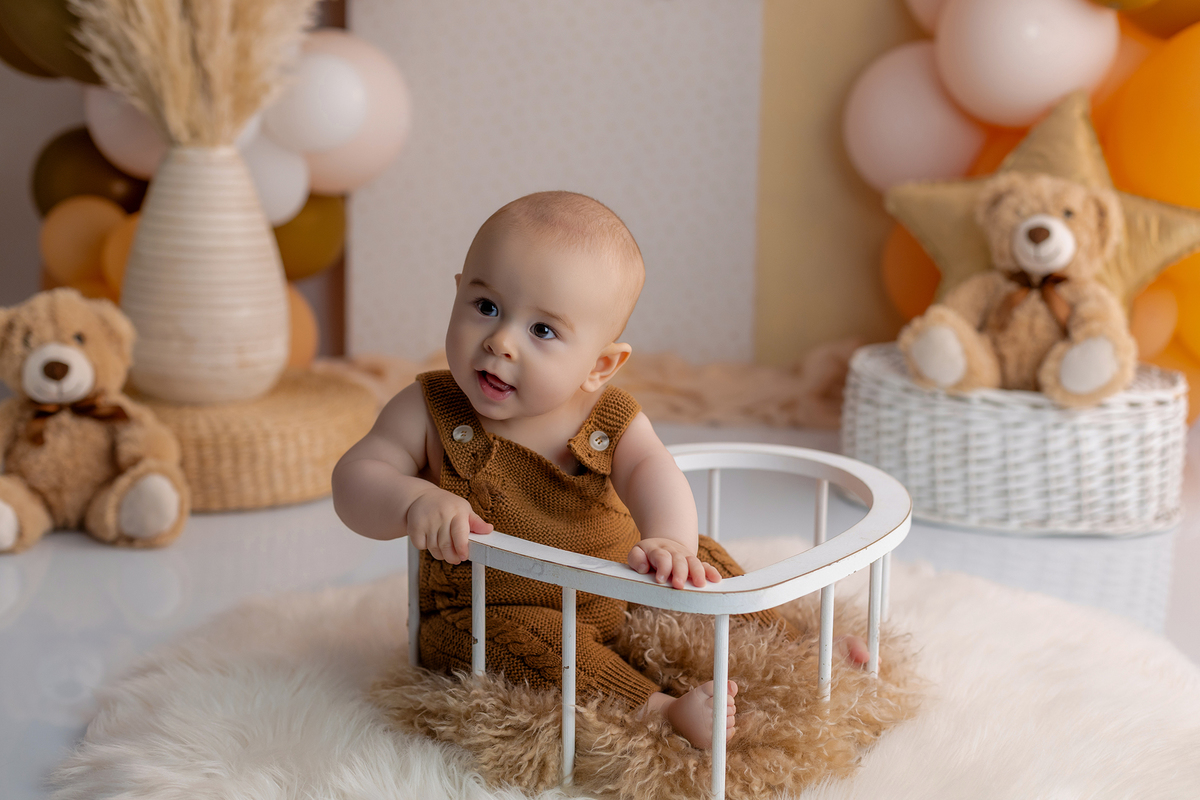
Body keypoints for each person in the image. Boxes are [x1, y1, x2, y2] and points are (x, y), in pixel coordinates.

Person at [332, 191, 867, 749]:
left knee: (705, 563)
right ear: (459, 291)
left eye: (542, 331)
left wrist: (671, 541)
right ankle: (659, 710)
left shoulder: (605, 416)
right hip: (495, 607)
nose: (501, 341)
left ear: (600, 365)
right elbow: (356, 476)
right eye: (486, 306)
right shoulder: (429, 410)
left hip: (617, 575)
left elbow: (652, 470)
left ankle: (800, 645)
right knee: (530, 645)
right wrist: (412, 500)